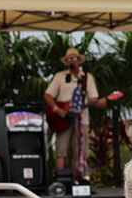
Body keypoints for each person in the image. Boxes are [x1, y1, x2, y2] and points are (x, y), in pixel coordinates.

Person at [43, 47, 105, 176]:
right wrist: (57, 109)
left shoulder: (87, 77)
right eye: (70, 59)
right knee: (61, 149)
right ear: (66, 62)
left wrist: (100, 103)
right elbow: (48, 95)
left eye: (75, 59)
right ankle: (61, 179)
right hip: (63, 118)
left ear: (79, 61)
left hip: (82, 118)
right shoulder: (60, 76)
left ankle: (78, 179)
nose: (72, 61)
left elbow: (93, 98)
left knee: (80, 149)